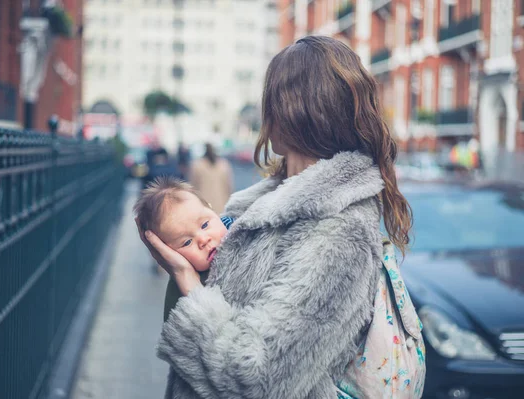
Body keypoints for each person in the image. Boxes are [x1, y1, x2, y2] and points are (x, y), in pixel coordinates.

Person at [138, 36, 425, 398]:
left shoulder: (337, 233)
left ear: (293, 110)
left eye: (271, 98)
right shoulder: (261, 204)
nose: (264, 114)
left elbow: (259, 379)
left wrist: (188, 284)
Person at [133, 176, 234, 321]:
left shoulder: (246, 232)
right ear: (167, 253)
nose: (203, 240)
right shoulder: (180, 290)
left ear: (212, 210)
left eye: (205, 225)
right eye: (186, 242)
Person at [189, 143, 234, 214]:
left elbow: (193, 187)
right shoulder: (224, 164)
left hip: (204, 204)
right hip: (221, 203)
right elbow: (229, 186)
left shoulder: (197, 165)